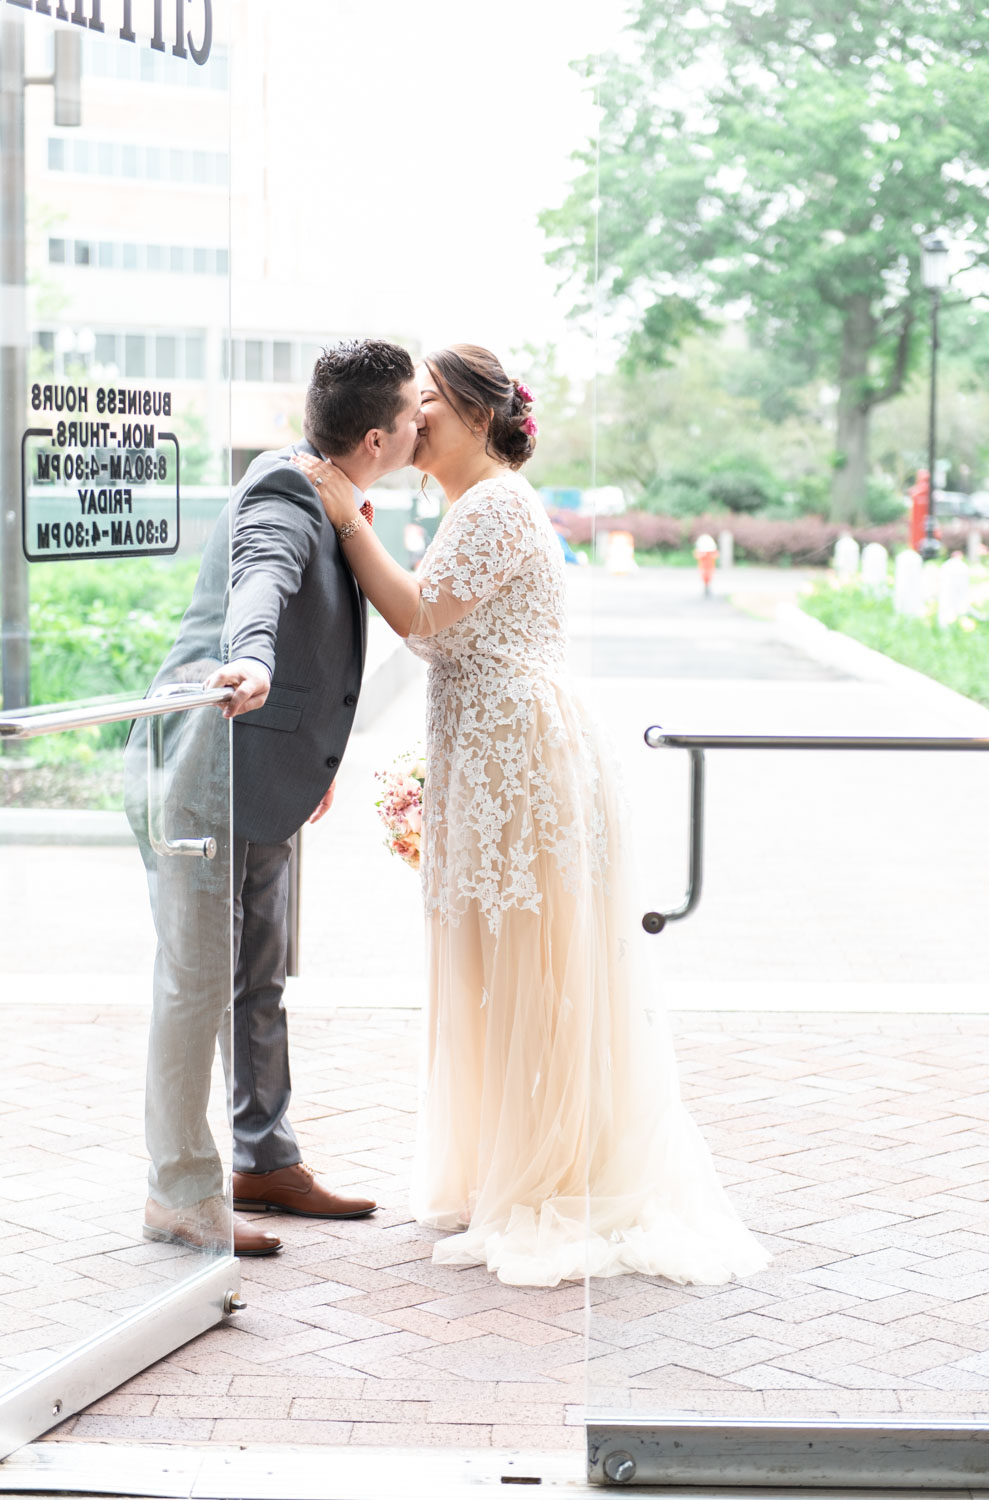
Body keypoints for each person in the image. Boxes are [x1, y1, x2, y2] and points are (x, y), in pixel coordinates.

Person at [292, 344, 769, 1288]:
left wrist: (350, 522)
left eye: (427, 399)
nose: (413, 415)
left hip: (522, 759)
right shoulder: (470, 506)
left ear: (474, 415)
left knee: (530, 967)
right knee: (494, 965)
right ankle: (507, 1170)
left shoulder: (498, 503)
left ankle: (551, 1182)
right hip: (491, 752)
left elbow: (423, 619)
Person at [124, 339, 424, 1256]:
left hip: (262, 772)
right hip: (206, 764)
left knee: (259, 977)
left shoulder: (324, 487)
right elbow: (263, 577)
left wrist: (306, 759)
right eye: (416, 413)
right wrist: (248, 658)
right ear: (376, 437)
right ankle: (177, 1190)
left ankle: (263, 1159)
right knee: (198, 981)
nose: (427, 422)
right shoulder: (284, 494)